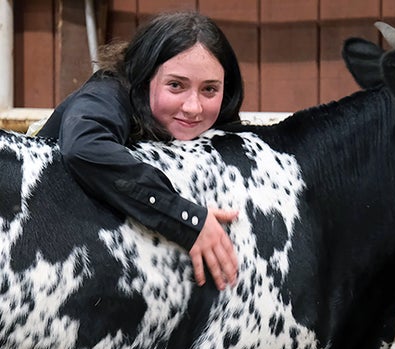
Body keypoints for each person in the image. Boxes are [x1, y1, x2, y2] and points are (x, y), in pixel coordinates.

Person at [37, 11, 243, 291]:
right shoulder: (107, 93)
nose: (193, 107)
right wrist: (184, 217)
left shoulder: (217, 123)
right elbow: (84, 147)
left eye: (209, 89)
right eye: (176, 85)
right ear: (144, 77)